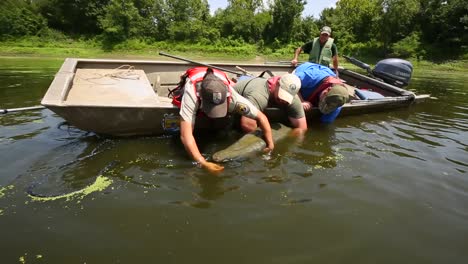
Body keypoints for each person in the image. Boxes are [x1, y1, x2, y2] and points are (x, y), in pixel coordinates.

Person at [177, 67, 274, 173]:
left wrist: (270, 144)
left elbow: (261, 117)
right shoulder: (192, 94)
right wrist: (202, 162)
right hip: (194, 78)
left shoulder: (233, 98)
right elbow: (185, 136)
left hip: (219, 79)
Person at [233, 73, 308, 138]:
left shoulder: (294, 99)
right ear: (277, 84)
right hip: (234, 110)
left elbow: (302, 127)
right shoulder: (259, 94)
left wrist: (287, 139)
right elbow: (247, 124)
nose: (283, 100)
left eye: (287, 98)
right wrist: (267, 139)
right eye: (282, 94)